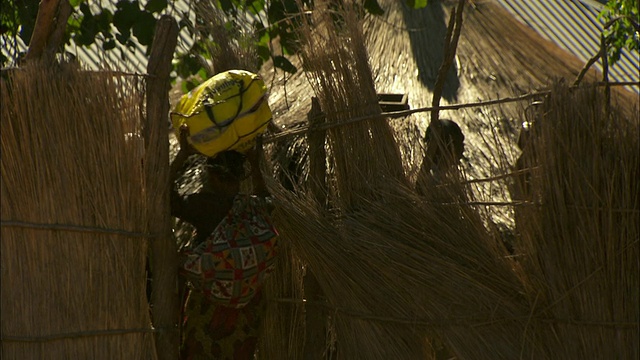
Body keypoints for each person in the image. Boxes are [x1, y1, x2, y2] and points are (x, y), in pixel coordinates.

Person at [170, 125, 278, 360]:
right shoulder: (251, 208)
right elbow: (265, 197)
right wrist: (255, 162)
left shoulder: (204, 206)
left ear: (212, 175)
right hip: (245, 313)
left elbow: (168, 199)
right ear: (239, 178)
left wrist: (181, 157)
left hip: (207, 309)